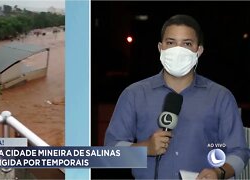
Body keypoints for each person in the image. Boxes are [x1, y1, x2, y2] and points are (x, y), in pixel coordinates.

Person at [104, 14, 249, 179]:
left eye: (187, 44)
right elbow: (111, 152)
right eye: (171, 43)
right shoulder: (134, 94)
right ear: (160, 48)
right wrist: (145, 148)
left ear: (198, 50)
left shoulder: (221, 96)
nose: (178, 50)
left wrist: (219, 172)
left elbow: (239, 152)